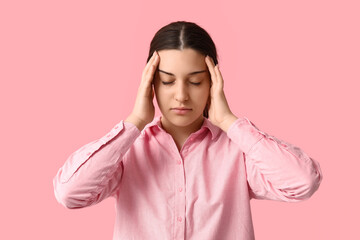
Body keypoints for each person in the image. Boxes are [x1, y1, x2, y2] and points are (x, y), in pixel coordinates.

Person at [53, 21, 323, 240]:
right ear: (151, 86)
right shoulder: (127, 152)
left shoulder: (238, 151)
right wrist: (135, 121)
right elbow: (70, 194)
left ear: (213, 84)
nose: (181, 95)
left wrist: (229, 121)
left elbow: (303, 182)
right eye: (167, 82)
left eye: (195, 82)